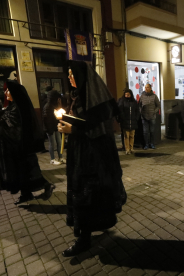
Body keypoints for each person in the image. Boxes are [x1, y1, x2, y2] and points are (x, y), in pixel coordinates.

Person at [58, 61, 126, 257]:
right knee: (84, 195)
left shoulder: (97, 100)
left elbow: (98, 129)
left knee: (88, 197)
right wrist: (66, 126)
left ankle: (83, 239)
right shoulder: (77, 96)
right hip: (80, 154)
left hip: (94, 159)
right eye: (68, 74)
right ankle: (85, 233)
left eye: (72, 74)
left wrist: (74, 129)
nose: (70, 78)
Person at [0, 81, 54, 204]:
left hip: (20, 147)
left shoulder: (18, 109)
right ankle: (26, 194)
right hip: (12, 147)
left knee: (27, 172)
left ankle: (45, 186)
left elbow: (17, 130)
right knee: (22, 172)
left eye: (8, 90)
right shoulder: (12, 106)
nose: (6, 92)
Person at [43, 89, 65, 165]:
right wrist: (50, 130)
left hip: (55, 127)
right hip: (50, 128)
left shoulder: (55, 105)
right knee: (53, 144)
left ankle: (60, 157)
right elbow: (47, 120)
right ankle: (52, 159)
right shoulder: (47, 106)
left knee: (59, 142)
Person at [118, 89, 139, 155]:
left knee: (132, 136)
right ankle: (127, 149)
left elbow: (137, 111)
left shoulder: (134, 102)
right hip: (125, 121)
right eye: (126, 94)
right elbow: (120, 111)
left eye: (128, 95)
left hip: (133, 121)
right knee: (126, 136)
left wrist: (136, 118)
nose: (127, 96)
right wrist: (123, 118)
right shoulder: (122, 101)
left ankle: (131, 148)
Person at [139, 83, 160, 150]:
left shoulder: (154, 96)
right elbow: (139, 105)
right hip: (144, 117)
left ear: (150, 88)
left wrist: (154, 111)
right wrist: (141, 111)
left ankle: (152, 144)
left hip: (152, 116)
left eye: (147, 87)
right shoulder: (142, 96)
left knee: (152, 131)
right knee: (145, 132)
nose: (146, 88)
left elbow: (158, 105)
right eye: (145, 87)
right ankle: (146, 144)